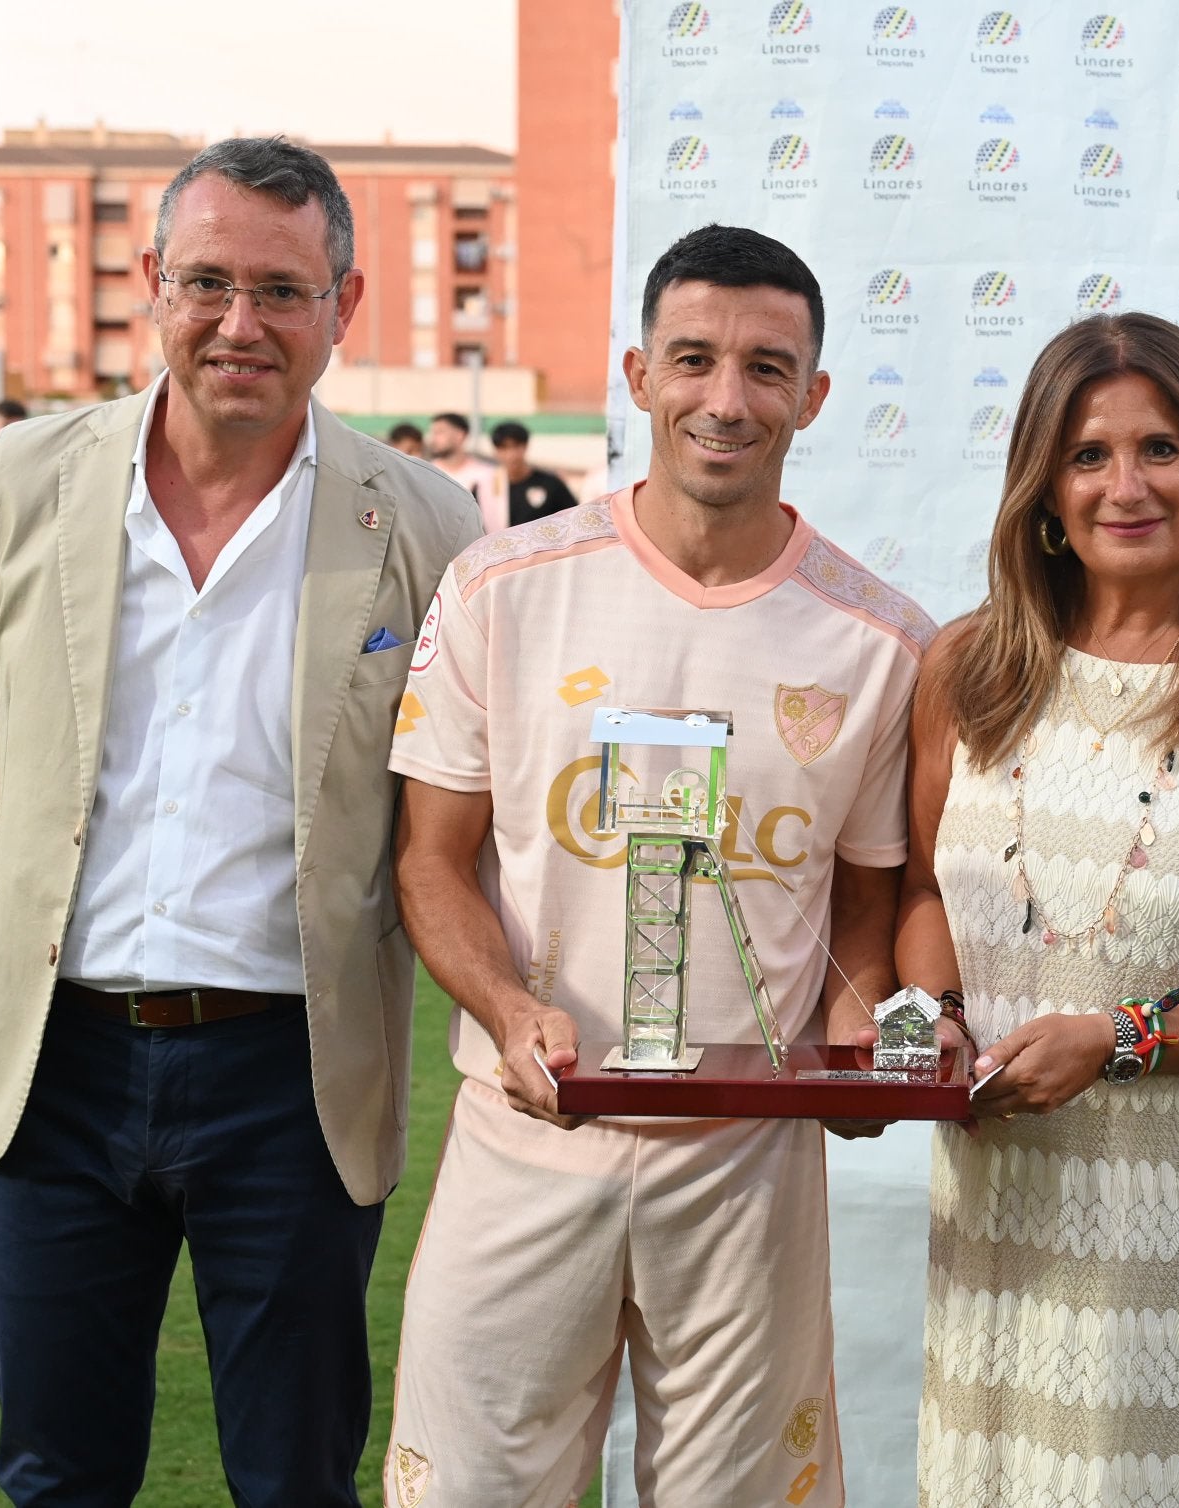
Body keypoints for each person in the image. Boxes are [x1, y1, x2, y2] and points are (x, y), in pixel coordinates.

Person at [0, 136, 480, 1506]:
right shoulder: (24, 482)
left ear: (344, 306)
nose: (242, 324)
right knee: (58, 1474)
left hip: (290, 1080)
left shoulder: (426, 524)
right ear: (149, 283)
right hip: (57, 1064)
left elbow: (441, 814)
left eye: (285, 291)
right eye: (210, 283)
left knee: (294, 1478)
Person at [381, 223, 939, 1508]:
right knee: (465, 1487)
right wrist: (512, 1011)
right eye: (693, 359)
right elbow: (429, 864)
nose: (725, 399)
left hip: (746, 1159)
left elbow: (865, 901)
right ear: (637, 375)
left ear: (814, 393)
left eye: (765, 367)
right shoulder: (500, 587)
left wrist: (863, 1044)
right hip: (529, 1130)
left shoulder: (877, 641)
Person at [901, 313, 1179, 1508]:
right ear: (1042, 492)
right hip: (1003, 1198)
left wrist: (1116, 1041)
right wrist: (938, 1015)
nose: (1124, 484)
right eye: (1087, 454)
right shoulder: (965, 672)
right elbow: (916, 893)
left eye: (1159, 448)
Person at [489, 418, 578, 525]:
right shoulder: (485, 488)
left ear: (526, 446)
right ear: (496, 450)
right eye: (504, 448)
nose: (511, 455)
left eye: (516, 446)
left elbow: (574, 518)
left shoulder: (550, 484)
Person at [425, 409, 501, 534]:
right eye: (433, 433)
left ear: (460, 435)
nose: (433, 439)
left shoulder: (487, 474)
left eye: (440, 432)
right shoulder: (426, 473)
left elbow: (495, 524)